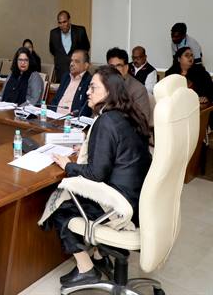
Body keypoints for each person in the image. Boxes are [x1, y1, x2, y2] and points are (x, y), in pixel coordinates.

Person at [44, 65, 151, 287]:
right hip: (140, 203)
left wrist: (68, 165)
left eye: (93, 87)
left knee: (59, 205)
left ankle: (86, 269)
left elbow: (95, 174)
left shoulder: (107, 121)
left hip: (119, 208)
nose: (87, 92)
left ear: (109, 91)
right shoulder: (131, 115)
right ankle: (100, 257)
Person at [106, 47, 151, 125]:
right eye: (112, 67)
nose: (115, 70)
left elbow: (142, 121)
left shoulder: (138, 90)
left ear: (126, 68)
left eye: (119, 66)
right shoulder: (104, 85)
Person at [49, 10, 90, 82]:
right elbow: (52, 50)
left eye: (64, 22)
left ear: (69, 20)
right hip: (61, 72)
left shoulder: (80, 31)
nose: (62, 25)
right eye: (60, 23)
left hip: (78, 71)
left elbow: (86, 48)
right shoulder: (53, 33)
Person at [50, 49, 92, 117]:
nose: (72, 64)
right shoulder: (66, 77)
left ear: (86, 65)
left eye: (76, 61)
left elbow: (86, 110)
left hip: (71, 119)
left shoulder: (89, 81)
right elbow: (55, 100)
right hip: (55, 117)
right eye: (71, 61)